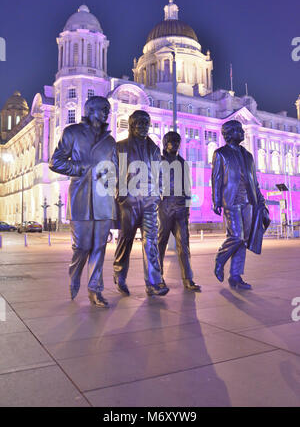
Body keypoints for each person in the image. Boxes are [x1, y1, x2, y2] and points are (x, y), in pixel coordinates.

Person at [49, 96, 117, 307]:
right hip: (80, 197)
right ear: (90, 110)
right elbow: (55, 161)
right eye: (103, 109)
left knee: (99, 247)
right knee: (81, 246)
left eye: (108, 109)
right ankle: (75, 273)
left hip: (103, 200)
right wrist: (81, 168)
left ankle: (95, 289)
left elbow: (114, 170)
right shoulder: (73, 132)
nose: (107, 113)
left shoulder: (110, 141)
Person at [113, 110, 169, 297]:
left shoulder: (154, 148)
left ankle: (154, 282)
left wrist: (159, 193)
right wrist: (121, 196)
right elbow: (116, 174)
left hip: (149, 201)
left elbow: (159, 172)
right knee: (126, 240)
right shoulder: (120, 146)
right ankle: (119, 273)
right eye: (140, 122)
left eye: (147, 122)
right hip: (129, 201)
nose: (144, 126)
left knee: (151, 241)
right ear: (132, 125)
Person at [211, 119, 269, 290]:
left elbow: (255, 182)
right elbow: (216, 178)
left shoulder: (248, 155)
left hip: (248, 201)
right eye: (238, 130)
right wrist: (216, 200)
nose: (242, 132)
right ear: (229, 133)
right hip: (231, 200)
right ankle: (220, 259)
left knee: (243, 240)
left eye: (242, 130)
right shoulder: (220, 153)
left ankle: (235, 276)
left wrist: (261, 202)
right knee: (236, 236)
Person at [158, 131, 201, 291]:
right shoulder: (158, 161)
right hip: (164, 206)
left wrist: (187, 208)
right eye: (171, 141)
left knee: (184, 244)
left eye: (177, 141)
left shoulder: (183, 163)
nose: (175, 144)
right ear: (165, 143)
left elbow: (188, 187)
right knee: (160, 244)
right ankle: (157, 278)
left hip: (181, 207)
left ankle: (188, 279)